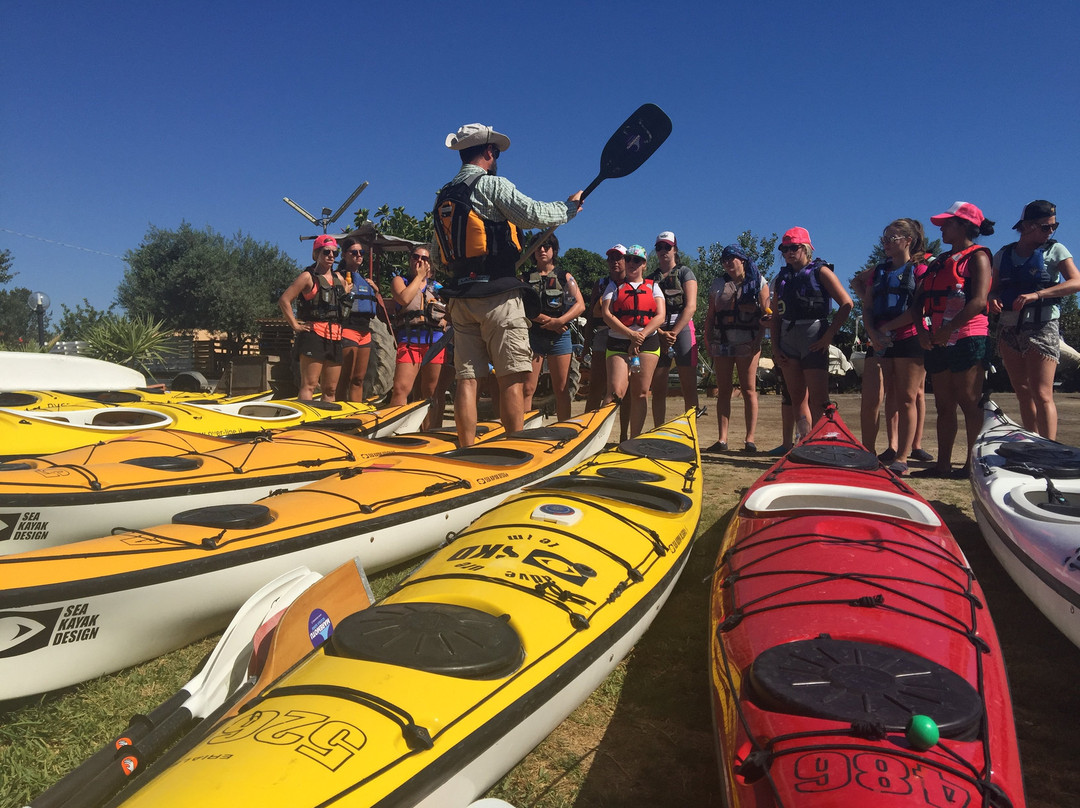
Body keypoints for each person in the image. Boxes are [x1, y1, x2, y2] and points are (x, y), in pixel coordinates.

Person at [432, 123, 583, 446]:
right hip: (498, 298)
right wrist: (569, 208)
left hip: (461, 299)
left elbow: (437, 255)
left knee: (467, 379)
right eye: (496, 152)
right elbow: (531, 214)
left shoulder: (444, 196)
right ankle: (516, 452)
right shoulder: (491, 186)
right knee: (512, 378)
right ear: (488, 152)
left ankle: (466, 449)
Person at [912, 202, 995, 478]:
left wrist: (950, 329)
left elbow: (979, 301)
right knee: (944, 404)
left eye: (947, 223)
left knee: (969, 402)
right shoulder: (938, 262)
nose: (942, 228)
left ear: (964, 225)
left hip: (968, 336)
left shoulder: (978, 257)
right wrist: (922, 331)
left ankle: (972, 466)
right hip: (937, 338)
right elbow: (918, 301)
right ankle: (943, 464)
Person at [991, 200, 1080, 440]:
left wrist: (1039, 294)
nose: (1050, 231)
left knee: (1042, 393)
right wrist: (992, 299)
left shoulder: (1055, 250)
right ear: (1027, 225)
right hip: (1009, 327)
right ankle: (1031, 441)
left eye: (1053, 226)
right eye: (1045, 227)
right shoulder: (1003, 254)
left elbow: (1076, 281)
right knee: (1022, 391)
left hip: (1042, 326)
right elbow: (993, 288)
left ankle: (1048, 448)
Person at [857, 219, 932, 476]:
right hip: (877, 340)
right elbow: (867, 306)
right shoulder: (877, 272)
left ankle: (902, 457)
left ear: (908, 240)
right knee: (871, 399)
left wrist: (887, 329)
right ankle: (867, 452)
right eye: (884, 239)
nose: (886, 244)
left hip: (909, 338)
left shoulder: (921, 270)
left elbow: (917, 310)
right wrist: (872, 332)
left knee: (907, 398)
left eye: (892, 238)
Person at [770, 227, 852, 439]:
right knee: (797, 397)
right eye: (784, 249)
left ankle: (824, 440)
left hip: (814, 334)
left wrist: (828, 336)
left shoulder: (820, 272)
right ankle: (806, 440)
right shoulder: (781, 278)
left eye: (794, 247)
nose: (789, 252)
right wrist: (775, 347)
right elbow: (776, 316)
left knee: (819, 398)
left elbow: (846, 304)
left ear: (806, 248)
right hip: (788, 337)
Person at [702, 244, 770, 453]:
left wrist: (757, 341)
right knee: (723, 390)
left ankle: (750, 440)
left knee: (749, 390)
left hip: (747, 342)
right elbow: (711, 315)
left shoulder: (758, 282)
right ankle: (722, 440)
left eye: (732, 258)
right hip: (722, 341)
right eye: (724, 260)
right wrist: (707, 339)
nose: (728, 263)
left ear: (742, 260)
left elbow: (766, 315)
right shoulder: (718, 285)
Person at [602, 245, 666, 438]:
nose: (631, 264)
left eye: (636, 260)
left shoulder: (653, 286)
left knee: (640, 393)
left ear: (644, 264)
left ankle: (633, 439)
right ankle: (598, 437)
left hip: (647, 343)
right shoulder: (614, 286)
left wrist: (641, 336)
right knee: (615, 393)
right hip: (618, 342)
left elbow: (660, 315)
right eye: (629, 259)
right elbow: (606, 314)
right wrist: (630, 335)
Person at [520, 234, 585, 421]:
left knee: (563, 388)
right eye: (538, 246)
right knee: (527, 388)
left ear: (553, 250)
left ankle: (563, 429)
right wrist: (548, 321)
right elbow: (520, 306)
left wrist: (560, 321)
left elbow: (580, 305)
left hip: (560, 337)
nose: (542, 250)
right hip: (533, 337)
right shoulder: (524, 279)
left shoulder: (565, 276)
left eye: (546, 246)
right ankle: (525, 431)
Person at [388, 245, 451, 428]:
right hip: (410, 341)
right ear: (410, 259)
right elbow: (404, 299)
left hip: (435, 344)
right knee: (401, 389)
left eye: (425, 259)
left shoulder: (438, 288)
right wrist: (419, 277)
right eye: (416, 257)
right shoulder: (400, 281)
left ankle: (430, 433)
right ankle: (394, 430)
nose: (420, 261)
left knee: (431, 392)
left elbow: (452, 311)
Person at [278, 234, 346, 401]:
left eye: (334, 253)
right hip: (314, 335)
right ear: (316, 253)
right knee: (309, 385)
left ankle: (326, 423)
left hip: (336, 337)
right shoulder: (307, 277)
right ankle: (304, 423)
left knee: (330, 389)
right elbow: (284, 300)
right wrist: (296, 326)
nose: (331, 256)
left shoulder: (340, 279)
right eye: (326, 252)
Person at [650, 231, 699, 425]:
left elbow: (691, 306)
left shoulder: (685, 272)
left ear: (675, 249)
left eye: (667, 247)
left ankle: (690, 430)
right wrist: (661, 333)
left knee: (689, 386)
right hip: (659, 330)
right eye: (659, 247)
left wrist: (673, 333)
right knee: (658, 387)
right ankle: (658, 429)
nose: (663, 251)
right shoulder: (651, 277)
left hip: (682, 328)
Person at [335, 237, 382, 402]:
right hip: (348, 328)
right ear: (344, 255)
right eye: (354, 252)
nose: (358, 255)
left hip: (365, 331)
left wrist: (375, 291)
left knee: (358, 379)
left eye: (361, 252)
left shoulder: (365, 280)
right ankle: (340, 413)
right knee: (344, 377)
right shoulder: (339, 277)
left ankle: (355, 411)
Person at [582, 244, 626, 412]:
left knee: (624, 390)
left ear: (625, 260)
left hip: (625, 335)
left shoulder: (633, 283)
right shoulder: (601, 284)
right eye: (611, 258)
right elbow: (592, 316)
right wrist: (586, 346)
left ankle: (623, 434)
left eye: (618, 258)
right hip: (603, 334)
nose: (614, 262)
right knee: (596, 385)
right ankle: (586, 429)